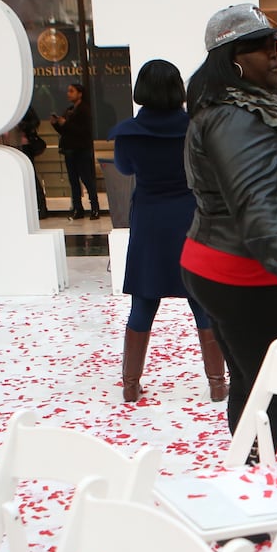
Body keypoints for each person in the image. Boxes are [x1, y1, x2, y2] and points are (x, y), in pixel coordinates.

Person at [180, 4, 277, 454]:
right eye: (259, 48)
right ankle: (252, 484)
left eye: (273, 46)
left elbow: (261, 187)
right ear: (232, 60)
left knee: (254, 384)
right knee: (271, 390)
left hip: (242, 264)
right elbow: (253, 203)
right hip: (249, 272)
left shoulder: (248, 108)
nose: (274, 56)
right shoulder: (237, 115)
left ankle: (250, 478)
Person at [108, 59, 225, 404]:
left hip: (149, 222)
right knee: (202, 301)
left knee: (143, 302)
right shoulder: (196, 128)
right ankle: (217, 383)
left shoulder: (129, 133)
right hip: (190, 219)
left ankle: (131, 384)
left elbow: (124, 167)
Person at [50, 82, 100, 220]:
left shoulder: (84, 110)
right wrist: (56, 125)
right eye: (68, 91)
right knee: (73, 180)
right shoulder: (69, 110)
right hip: (69, 149)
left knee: (86, 179)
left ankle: (95, 207)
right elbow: (65, 131)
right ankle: (78, 208)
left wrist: (65, 124)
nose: (68, 93)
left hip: (81, 149)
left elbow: (82, 131)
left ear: (80, 93)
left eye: (71, 91)